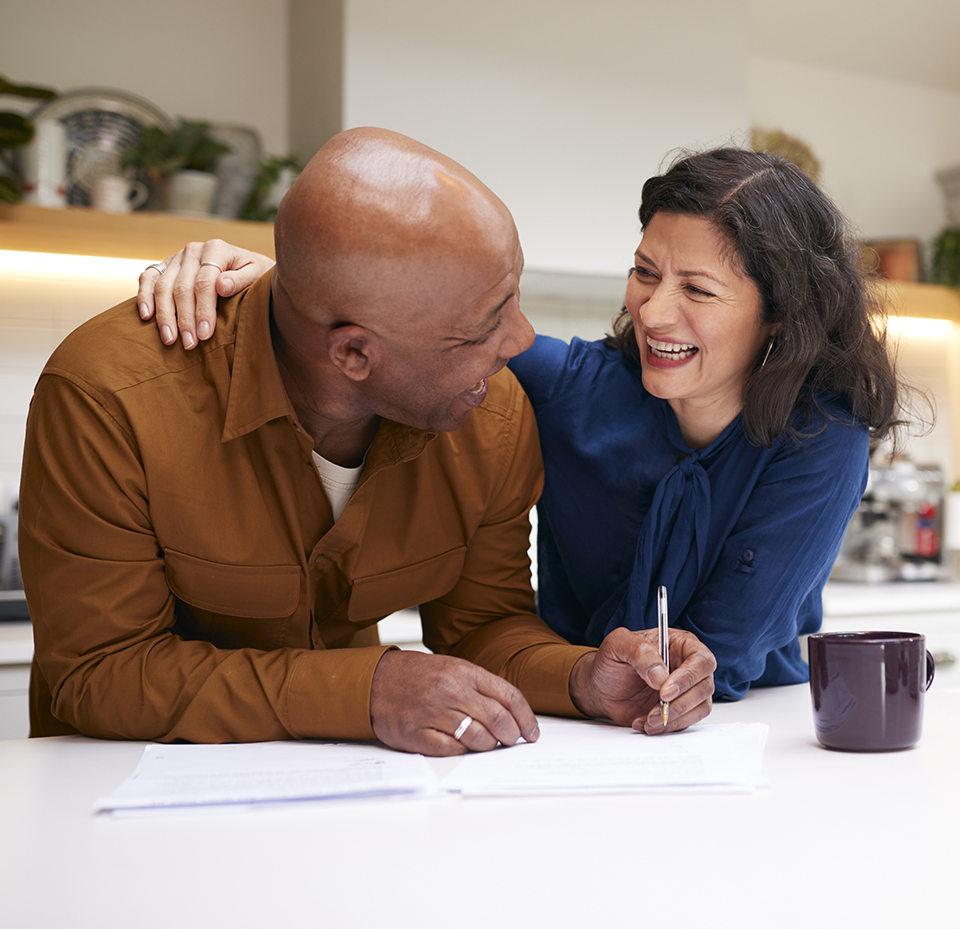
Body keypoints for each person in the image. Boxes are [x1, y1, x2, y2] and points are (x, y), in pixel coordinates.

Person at [19, 127, 717, 753]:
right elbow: (99, 672)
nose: (521, 341)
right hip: (116, 800)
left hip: (347, 799)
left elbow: (482, 626)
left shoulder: (490, 413)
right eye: (482, 328)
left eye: (512, 297)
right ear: (353, 355)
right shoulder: (109, 397)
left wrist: (583, 676)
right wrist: (367, 691)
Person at [143, 146, 910, 700]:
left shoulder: (821, 440)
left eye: (698, 290)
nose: (654, 309)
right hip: (572, 710)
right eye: (645, 273)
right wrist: (271, 281)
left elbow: (722, 657)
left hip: (741, 732)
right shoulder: (575, 388)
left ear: (781, 316)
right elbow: (416, 331)